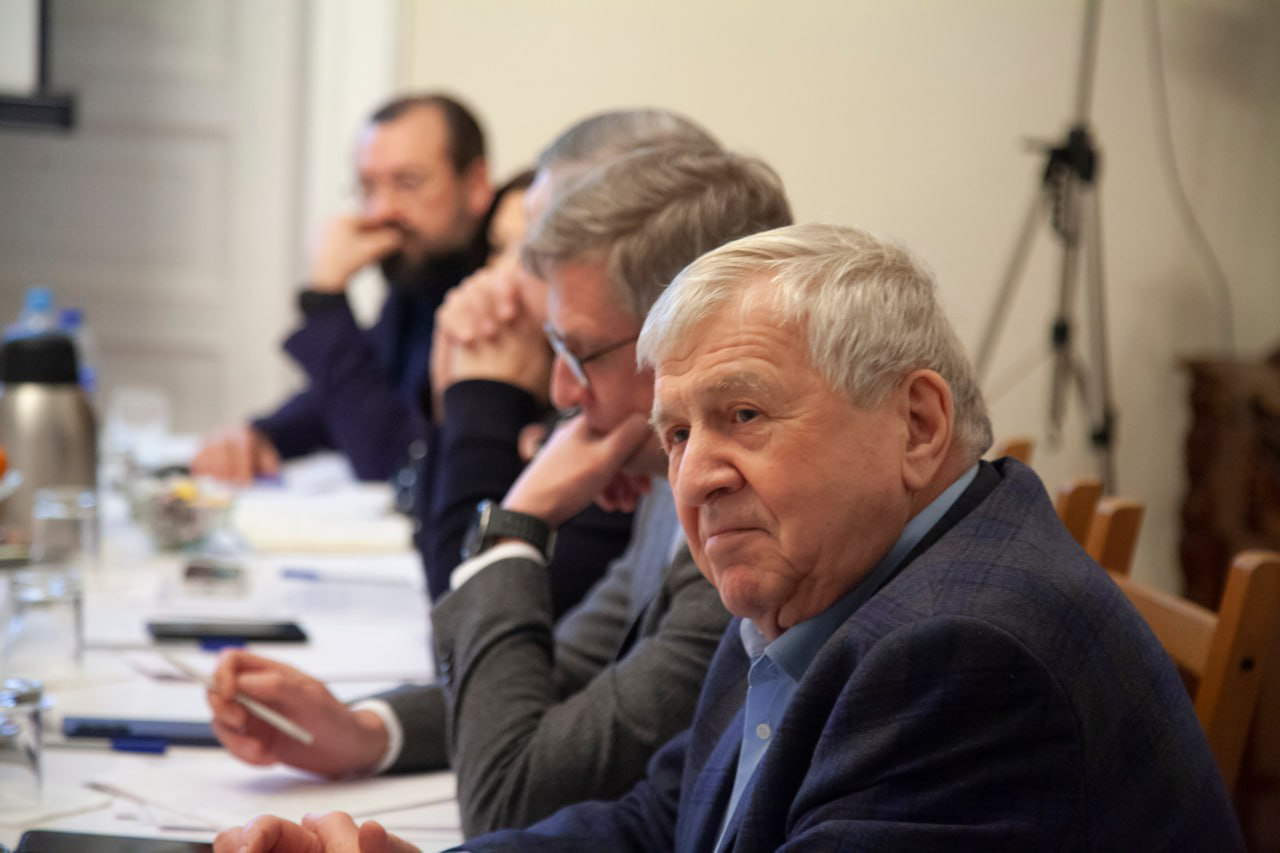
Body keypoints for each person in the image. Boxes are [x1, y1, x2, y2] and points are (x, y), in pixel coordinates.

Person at [221, 224, 1243, 851]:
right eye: (675, 433)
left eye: (743, 415)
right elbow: (662, 823)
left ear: (917, 424)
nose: (695, 475)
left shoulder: (962, 653)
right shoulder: (814, 579)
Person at [208, 142, 794, 843]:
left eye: (578, 353)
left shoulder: (737, 523)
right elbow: (569, 671)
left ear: (682, 333)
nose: (561, 390)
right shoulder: (662, 492)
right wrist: (368, 731)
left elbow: (512, 794)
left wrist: (517, 522)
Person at [420, 108, 721, 605]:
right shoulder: (578, 374)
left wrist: (480, 394)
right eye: (500, 249)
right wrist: (447, 395)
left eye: (535, 253)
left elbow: (455, 601)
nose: (497, 279)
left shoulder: (630, 399)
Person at [191, 93, 492, 484]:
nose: (381, 210)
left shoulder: (493, 298)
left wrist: (327, 300)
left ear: (476, 185)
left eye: (408, 182)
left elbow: (398, 464)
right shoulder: (419, 279)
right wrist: (260, 435)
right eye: (367, 187)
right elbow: (352, 396)